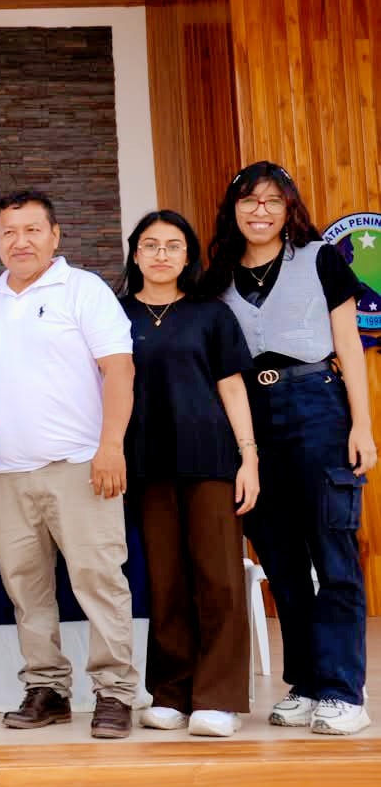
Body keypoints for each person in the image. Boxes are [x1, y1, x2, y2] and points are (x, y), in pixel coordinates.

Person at [202, 161, 375, 735]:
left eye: (273, 201)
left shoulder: (321, 259)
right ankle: (306, 682)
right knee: (282, 562)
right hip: (252, 419)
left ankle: (344, 690)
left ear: (289, 208)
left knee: (334, 555)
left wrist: (361, 425)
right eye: (249, 201)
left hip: (317, 405)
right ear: (233, 209)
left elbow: (349, 344)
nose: (261, 211)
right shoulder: (218, 275)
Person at [0, 189, 138, 739]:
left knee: (99, 581)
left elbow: (120, 370)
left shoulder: (83, 290)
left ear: (55, 235)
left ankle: (115, 693)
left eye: (33, 230)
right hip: (8, 474)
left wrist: (111, 447)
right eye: (9, 232)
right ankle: (47, 689)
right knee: (26, 588)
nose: (21, 242)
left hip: (81, 466)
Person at [116, 210, 257, 737]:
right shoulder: (115, 314)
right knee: (166, 581)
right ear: (135, 254)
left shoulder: (211, 314)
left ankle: (217, 698)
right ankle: (171, 693)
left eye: (173, 245)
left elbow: (232, 387)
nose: (161, 254)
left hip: (211, 460)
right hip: (145, 465)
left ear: (188, 256)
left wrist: (249, 457)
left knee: (219, 579)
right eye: (151, 245)